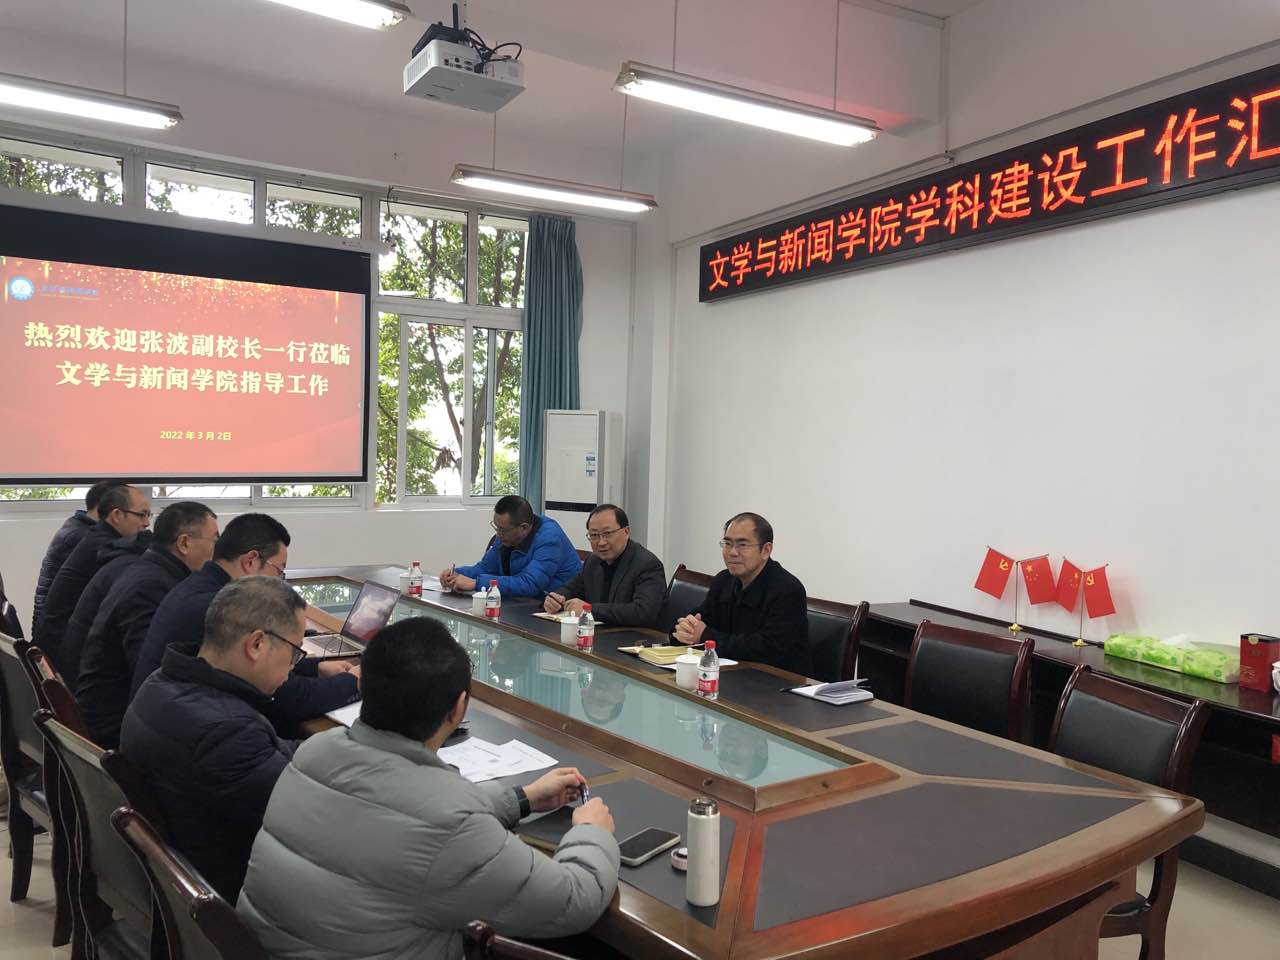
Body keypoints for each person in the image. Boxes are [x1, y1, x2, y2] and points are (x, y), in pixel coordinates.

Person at [237, 617, 620, 959]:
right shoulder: (450, 823)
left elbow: (406, 815)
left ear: (364, 685)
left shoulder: (315, 751)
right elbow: (574, 900)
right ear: (459, 708)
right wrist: (591, 831)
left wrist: (521, 799)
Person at [121, 576, 304, 903]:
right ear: (257, 644)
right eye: (295, 653)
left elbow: (270, 757)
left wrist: (330, 748)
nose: (293, 667)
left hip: (176, 875)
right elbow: (307, 810)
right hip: (227, 897)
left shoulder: (160, 684)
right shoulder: (227, 732)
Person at [133, 513, 359, 732]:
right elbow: (282, 696)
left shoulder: (200, 586)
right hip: (190, 730)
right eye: (279, 571)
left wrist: (315, 668)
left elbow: (256, 664)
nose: (279, 581)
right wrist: (353, 682)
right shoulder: (224, 607)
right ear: (250, 561)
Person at [76, 501, 217, 747]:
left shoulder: (149, 570)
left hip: (114, 712)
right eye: (215, 540)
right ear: (184, 543)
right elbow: (149, 668)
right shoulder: (152, 586)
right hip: (114, 727)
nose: (218, 551)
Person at [673, 512, 811, 676]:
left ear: (766, 550)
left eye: (742, 545)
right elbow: (699, 618)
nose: (732, 552)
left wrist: (705, 636)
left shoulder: (788, 590)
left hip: (777, 682)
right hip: (732, 674)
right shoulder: (724, 580)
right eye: (727, 543)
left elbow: (765, 649)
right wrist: (684, 629)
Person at [38, 484, 151, 668]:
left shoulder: (97, 536)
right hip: (61, 655)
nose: (147, 523)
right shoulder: (105, 547)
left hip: (61, 645)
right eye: (142, 515)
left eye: (149, 515)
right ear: (116, 515)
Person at [543, 504, 666, 627]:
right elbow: (572, 588)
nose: (601, 542)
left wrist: (589, 610)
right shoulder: (593, 561)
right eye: (594, 535)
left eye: (607, 533)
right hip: (601, 632)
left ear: (626, 532)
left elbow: (643, 612)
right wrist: (556, 599)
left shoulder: (647, 564)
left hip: (636, 635)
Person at [55, 530, 153, 685]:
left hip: (71, 663)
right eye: (141, 517)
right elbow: (143, 663)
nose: (146, 523)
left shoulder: (118, 557)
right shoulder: (141, 576)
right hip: (79, 677)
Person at [440, 495, 581, 599]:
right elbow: (485, 568)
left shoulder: (549, 539)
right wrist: (456, 574)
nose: (498, 534)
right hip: (521, 602)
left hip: (556, 608)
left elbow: (530, 584)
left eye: (502, 530)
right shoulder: (505, 536)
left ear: (524, 528)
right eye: (496, 527)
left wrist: (476, 583)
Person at [31, 480, 125, 635]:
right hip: (58, 632)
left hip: (52, 626)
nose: (144, 522)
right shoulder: (85, 537)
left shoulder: (76, 526)